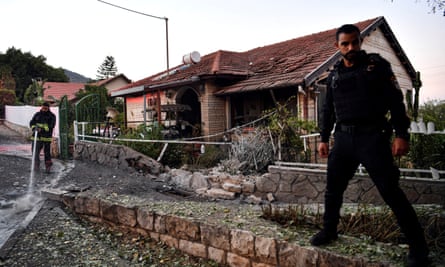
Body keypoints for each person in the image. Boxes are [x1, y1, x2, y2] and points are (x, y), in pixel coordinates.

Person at [310, 24, 429, 267]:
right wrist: (323, 138)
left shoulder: (377, 67)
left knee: (391, 192)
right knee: (333, 190)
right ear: (338, 46)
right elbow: (327, 110)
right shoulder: (333, 75)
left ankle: (419, 249)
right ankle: (329, 230)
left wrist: (401, 134)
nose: (351, 47)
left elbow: (396, 102)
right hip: (343, 138)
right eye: (345, 44)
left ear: (360, 41)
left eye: (354, 42)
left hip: (372, 138)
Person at [30, 102, 56, 172]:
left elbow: (51, 126)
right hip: (37, 137)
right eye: (43, 108)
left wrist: (42, 129)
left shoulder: (52, 116)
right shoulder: (37, 115)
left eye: (46, 108)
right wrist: (34, 128)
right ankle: (36, 166)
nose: (44, 109)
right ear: (41, 107)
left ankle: (48, 167)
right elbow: (32, 123)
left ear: (48, 108)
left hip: (46, 138)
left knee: (47, 153)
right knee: (35, 152)